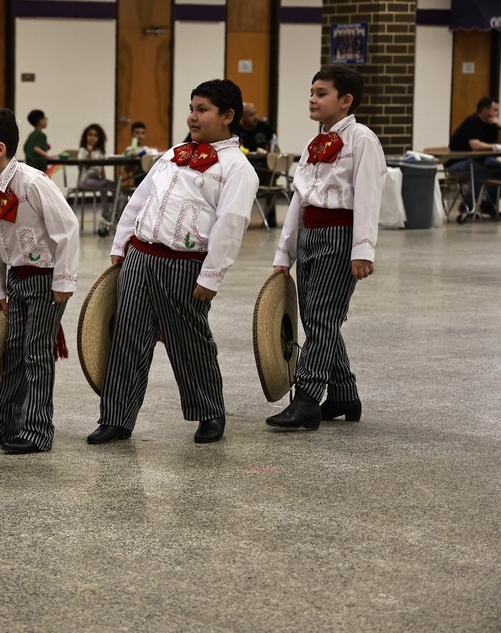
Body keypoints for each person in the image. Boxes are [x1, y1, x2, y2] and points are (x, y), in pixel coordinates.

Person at [87, 79, 259, 445]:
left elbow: (231, 225)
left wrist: (211, 276)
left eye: (203, 110)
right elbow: (139, 199)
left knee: (189, 340)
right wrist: (121, 246)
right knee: (128, 335)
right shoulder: (173, 154)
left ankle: (210, 412)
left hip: (185, 265)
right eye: (191, 108)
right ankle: (117, 417)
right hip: (140, 256)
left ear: (228, 116)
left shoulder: (236, 168)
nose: (193, 117)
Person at [266, 66, 387, 431]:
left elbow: (369, 194)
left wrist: (363, 248)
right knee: (319, 318)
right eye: (312, 92)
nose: (313, 99)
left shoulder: (363, 139)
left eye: (322, 93)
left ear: (346, 100)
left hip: (339, 235)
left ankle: (306, 400)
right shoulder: (312, 143)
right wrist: (284, 253)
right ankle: (344, 394)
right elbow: (299, 200)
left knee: (320, 319)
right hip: (310, 235)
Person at [0, 108, 80, 454]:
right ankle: (3, 423)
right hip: (16, 279)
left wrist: (64, 280)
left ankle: (37, 429)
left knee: (36, 353)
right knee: (13, 350)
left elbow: (67, 229)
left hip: (46, 280)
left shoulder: (33, 182)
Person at [447, 96, 501, 215]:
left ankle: (489, 204)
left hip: (480, 160)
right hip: (458, 162)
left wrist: (500, 126)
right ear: (485, 111)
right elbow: (475, 145)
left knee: (498, 168)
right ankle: (467, 206)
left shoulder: (492, 124)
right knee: (479, 170)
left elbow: (498, 141)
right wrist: (493, 147)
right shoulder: (472, 122)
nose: (497, 114)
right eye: (495, 110)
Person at [75, 123, 117, 218]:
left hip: (97, 179)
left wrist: (104, 177)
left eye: (95, 135)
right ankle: (106, 212)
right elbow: (86, 167)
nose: (92, 138)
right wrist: (89, 153)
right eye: (90, 135)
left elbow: (102, 170)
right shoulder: (83, 151)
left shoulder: (99, 152)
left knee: (114, 186)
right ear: (86, 136)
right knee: (104, 185)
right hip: (85, 180)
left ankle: (115, 211)